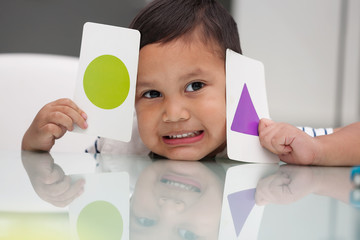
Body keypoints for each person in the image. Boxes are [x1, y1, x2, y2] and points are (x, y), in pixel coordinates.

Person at [21, 0, 360, 166]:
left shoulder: (265, 140)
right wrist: (35, 147)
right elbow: (63, 183)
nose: (173, 113)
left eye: (195, 86)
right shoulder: (123, 146)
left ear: (237, 81)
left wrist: (318, 151)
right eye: (151, 93)